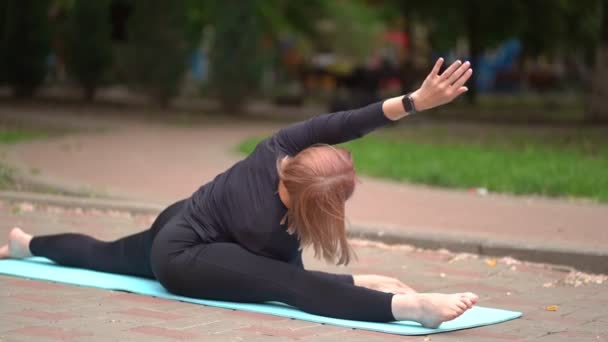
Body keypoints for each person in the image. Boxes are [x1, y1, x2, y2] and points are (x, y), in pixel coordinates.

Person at [1, 58, 478, 328]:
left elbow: (348, 122)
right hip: (186, 255)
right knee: (288, 289)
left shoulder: (280, 147)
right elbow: (289, 281)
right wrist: (362, 284)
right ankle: (413, 311)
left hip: (181, 217)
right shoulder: (261, 224)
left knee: (107, 253)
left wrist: (416, 101)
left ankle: (25, 244)